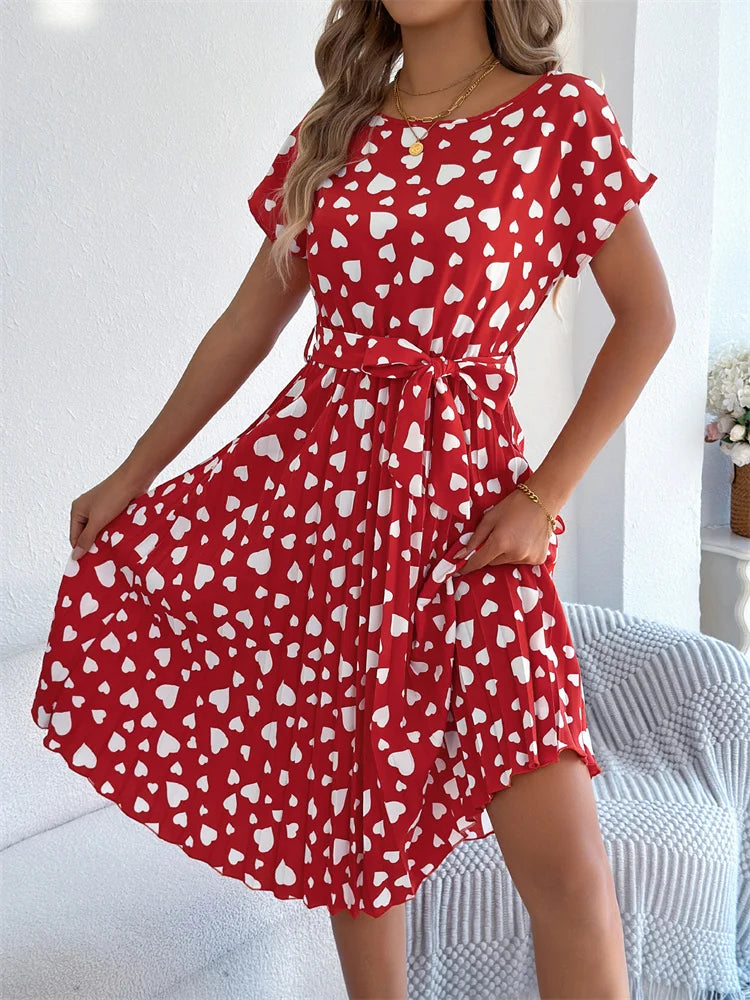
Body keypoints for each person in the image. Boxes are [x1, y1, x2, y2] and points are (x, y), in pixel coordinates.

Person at [30, 0, 675, 997]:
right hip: (328, 517)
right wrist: (134, 472)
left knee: (568, 868)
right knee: (357, 843)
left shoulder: (560, 115)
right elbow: (246, 324)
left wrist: (544, 495)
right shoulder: (338, 129)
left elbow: (648, 317)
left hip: (473, 527)